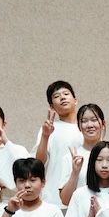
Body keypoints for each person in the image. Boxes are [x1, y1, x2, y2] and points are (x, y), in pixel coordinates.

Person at [32, 80, 83, 208]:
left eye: (66, 94)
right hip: (54, 199)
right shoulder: (49, 129)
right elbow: (39, 162)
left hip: (83, 197)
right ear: (51, 106)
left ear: (75, 100)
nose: (62, 98)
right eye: (56, 96)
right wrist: (45, 136)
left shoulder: (86, 128)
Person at [58, 103, 106, 206]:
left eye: (94, 120)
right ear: (79, 126)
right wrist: (75, 172)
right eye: (84, 121)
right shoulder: (70, 158)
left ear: (103, 124)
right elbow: (65, 200)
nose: (89, 125)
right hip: (80, 214)